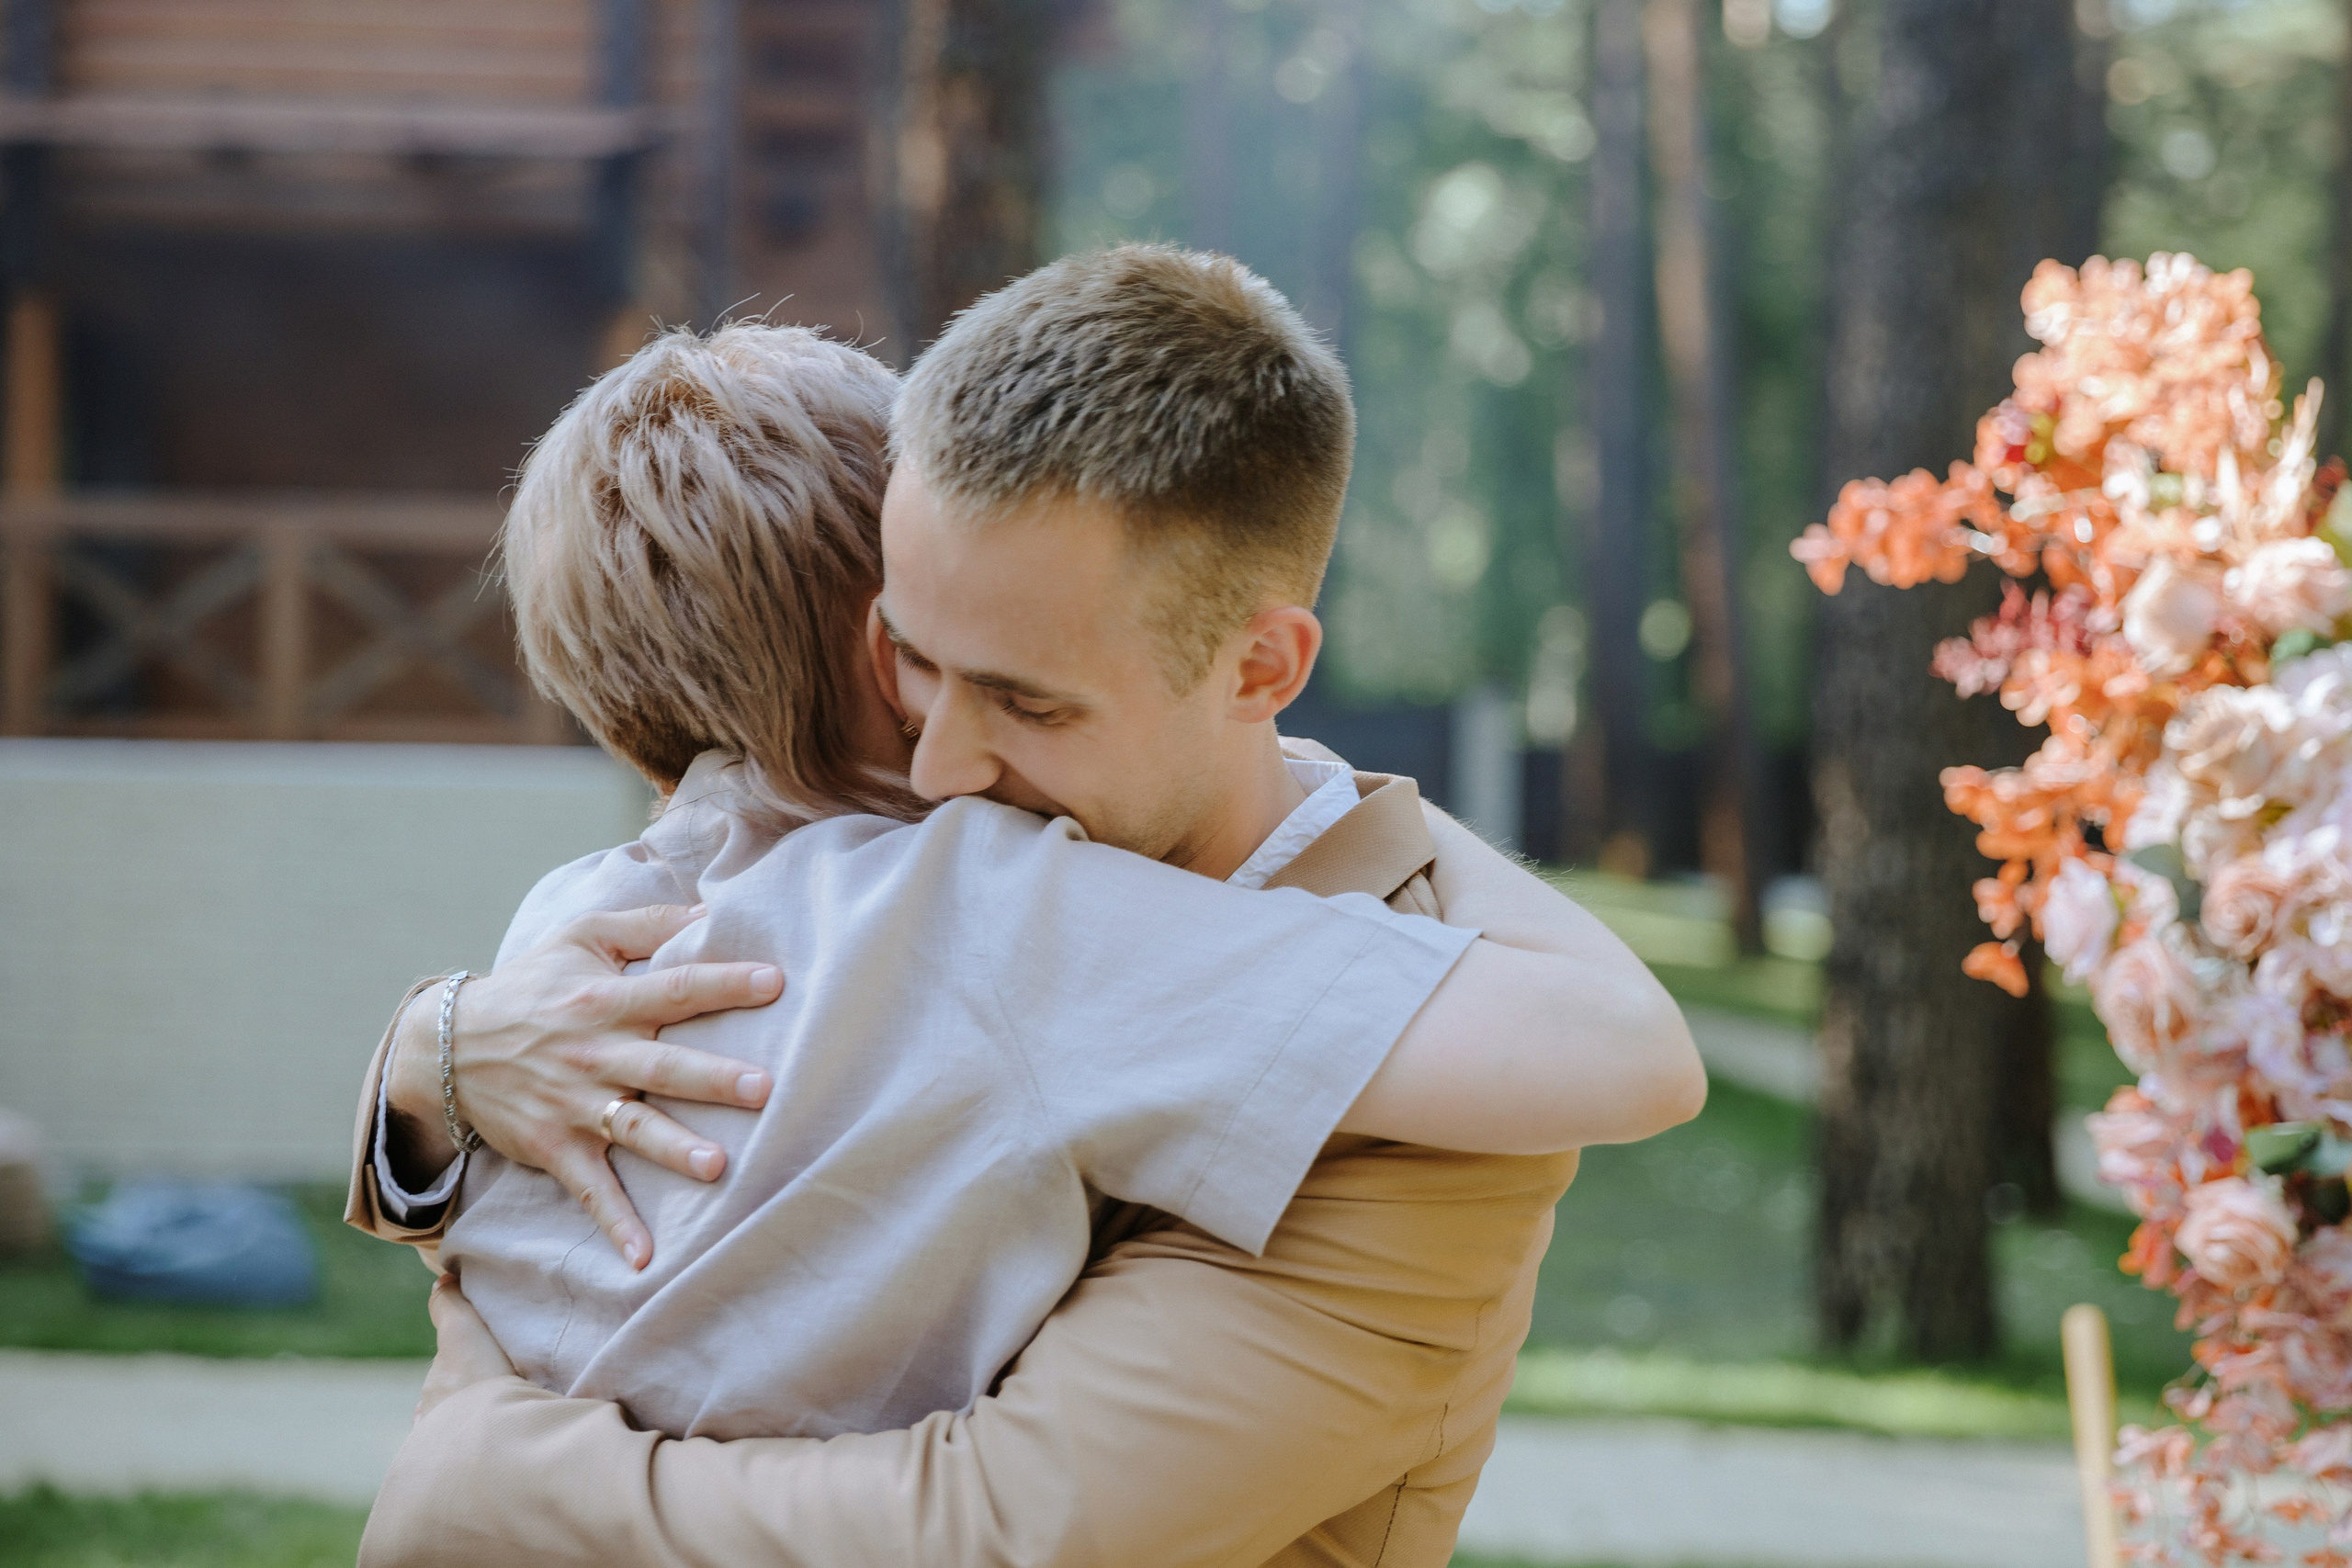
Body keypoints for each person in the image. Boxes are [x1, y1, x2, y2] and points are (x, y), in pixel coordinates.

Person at [352, 245, 1703, 1568]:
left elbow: (1004, 1535)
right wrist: (441, 1050)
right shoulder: (812, 898)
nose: (943, 764)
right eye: (915, 665)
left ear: (1260, 666)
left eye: (1024, 698)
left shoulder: (1402, 1064)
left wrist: (490, 1482)